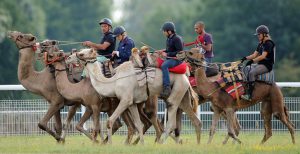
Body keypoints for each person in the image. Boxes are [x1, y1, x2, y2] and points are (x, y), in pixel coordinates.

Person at [240, 25, 275, 101]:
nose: (258, 36)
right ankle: (248, 88)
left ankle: (249, 95)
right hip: (260, 64)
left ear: (264, 34)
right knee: (245, 68)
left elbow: (263, 56)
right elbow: (254, 55)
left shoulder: (269, 43)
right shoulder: (261, 43)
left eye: (259, 34)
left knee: (252, 73)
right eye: (257, 34)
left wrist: (252, 61)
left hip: (267, 65)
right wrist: (245, 58)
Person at [156, 21, 184, 98]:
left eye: (164, 31)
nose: (163, 33)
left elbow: (179, 52)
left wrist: (167, 54)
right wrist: (162, 51)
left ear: (169, 31)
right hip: (170, 58)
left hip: (177, 60)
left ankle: (167, 87)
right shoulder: (168, 39)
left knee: (164, 65)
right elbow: (169, 50)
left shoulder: (177, 39)